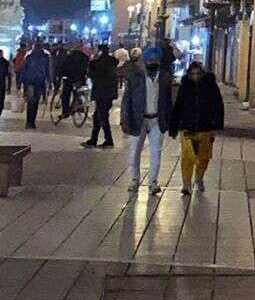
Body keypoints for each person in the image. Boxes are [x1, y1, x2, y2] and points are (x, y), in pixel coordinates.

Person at [120, 42, 173, 194]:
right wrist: (125, 119)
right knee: (134, 151)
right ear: (144, 60)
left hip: (157, 119)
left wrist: (169, 120)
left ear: (158, 61)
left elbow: (168, 101)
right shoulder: (135, 77)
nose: (152, 62)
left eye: (155, 60)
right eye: (149, 60)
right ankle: (134, 180)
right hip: (139, 119)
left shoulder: (164, 77)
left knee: (156, 152)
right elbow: (127, 99)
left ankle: (153, 183)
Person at [169, 58, 225, 195]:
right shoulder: (185, 86)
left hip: (205, 127)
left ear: (202, 73)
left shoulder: (210, 86)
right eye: (192, 73)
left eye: (197, 73)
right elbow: (178, 106)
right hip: (187, 127)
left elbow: (218, 106)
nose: (195, 76)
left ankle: (199, 177)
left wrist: (216, 125)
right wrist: (174, 126)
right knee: (187, 155)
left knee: (202, 157)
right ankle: (186, 183)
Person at [84, 44, 120, 149]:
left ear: (100, 51)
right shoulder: (111, 62)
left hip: (101, 93)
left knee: (102, 117)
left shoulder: (99, 63)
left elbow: (91, 74)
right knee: (97, 116)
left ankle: (109, 140)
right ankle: (93, 140)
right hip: (109, 93)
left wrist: (92, 63)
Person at [21, 40, 51, 129]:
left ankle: (30, 122)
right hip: (36, 81)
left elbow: (24, 70)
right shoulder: (42, 57)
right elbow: (48, 70)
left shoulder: (33, 57)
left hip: (34, 81)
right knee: (33, 102)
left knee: (33, 102)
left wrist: (22, 82)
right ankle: (31, 122)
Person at [60, 41, 90, 119]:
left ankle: (65, 112)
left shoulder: (69, 56)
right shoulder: (85, 57)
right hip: (80, 79)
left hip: (69, 79)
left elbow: (64, 67)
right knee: (78, 93)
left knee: (65, 95)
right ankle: (78, 107)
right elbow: (87, 69)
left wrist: (62, 75)